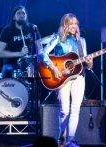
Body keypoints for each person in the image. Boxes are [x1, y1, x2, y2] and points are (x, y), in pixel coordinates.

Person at [38, 13, 93, 147]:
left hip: (79, 77)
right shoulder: (58, 38)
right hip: (61, 77)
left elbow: (86, 63)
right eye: (71, 23)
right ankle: (61, 137)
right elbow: (42, 53)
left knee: (75, 109)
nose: (74, 26)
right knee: (65, 110)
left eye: (76, 24)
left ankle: (71, 140)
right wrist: (53, 68)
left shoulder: (82, 41)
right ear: (65, 25)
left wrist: (90, 63)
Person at [0, 5, 40, 78]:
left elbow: (40, 47)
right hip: (11, 64)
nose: (21, 15)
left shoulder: (32, 28)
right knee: (7, 68)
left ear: (26, 16)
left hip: (30, 64)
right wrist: (20, 53)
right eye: (19, 13)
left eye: (23, 13)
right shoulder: (7, 30)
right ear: (14, 17)